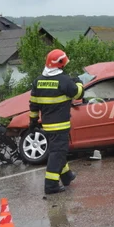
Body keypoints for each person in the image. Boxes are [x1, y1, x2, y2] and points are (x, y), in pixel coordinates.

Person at [29, 49, 85, 194]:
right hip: (61, 125)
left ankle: (67, 176)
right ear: (60, 64)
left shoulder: (38, 81)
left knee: (58, 150)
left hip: (47, 125)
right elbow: (78, 94)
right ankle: (51, 185)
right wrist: (79, 83)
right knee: (57, 153)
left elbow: (33, 103)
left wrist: (33, 120)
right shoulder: (64, 80)